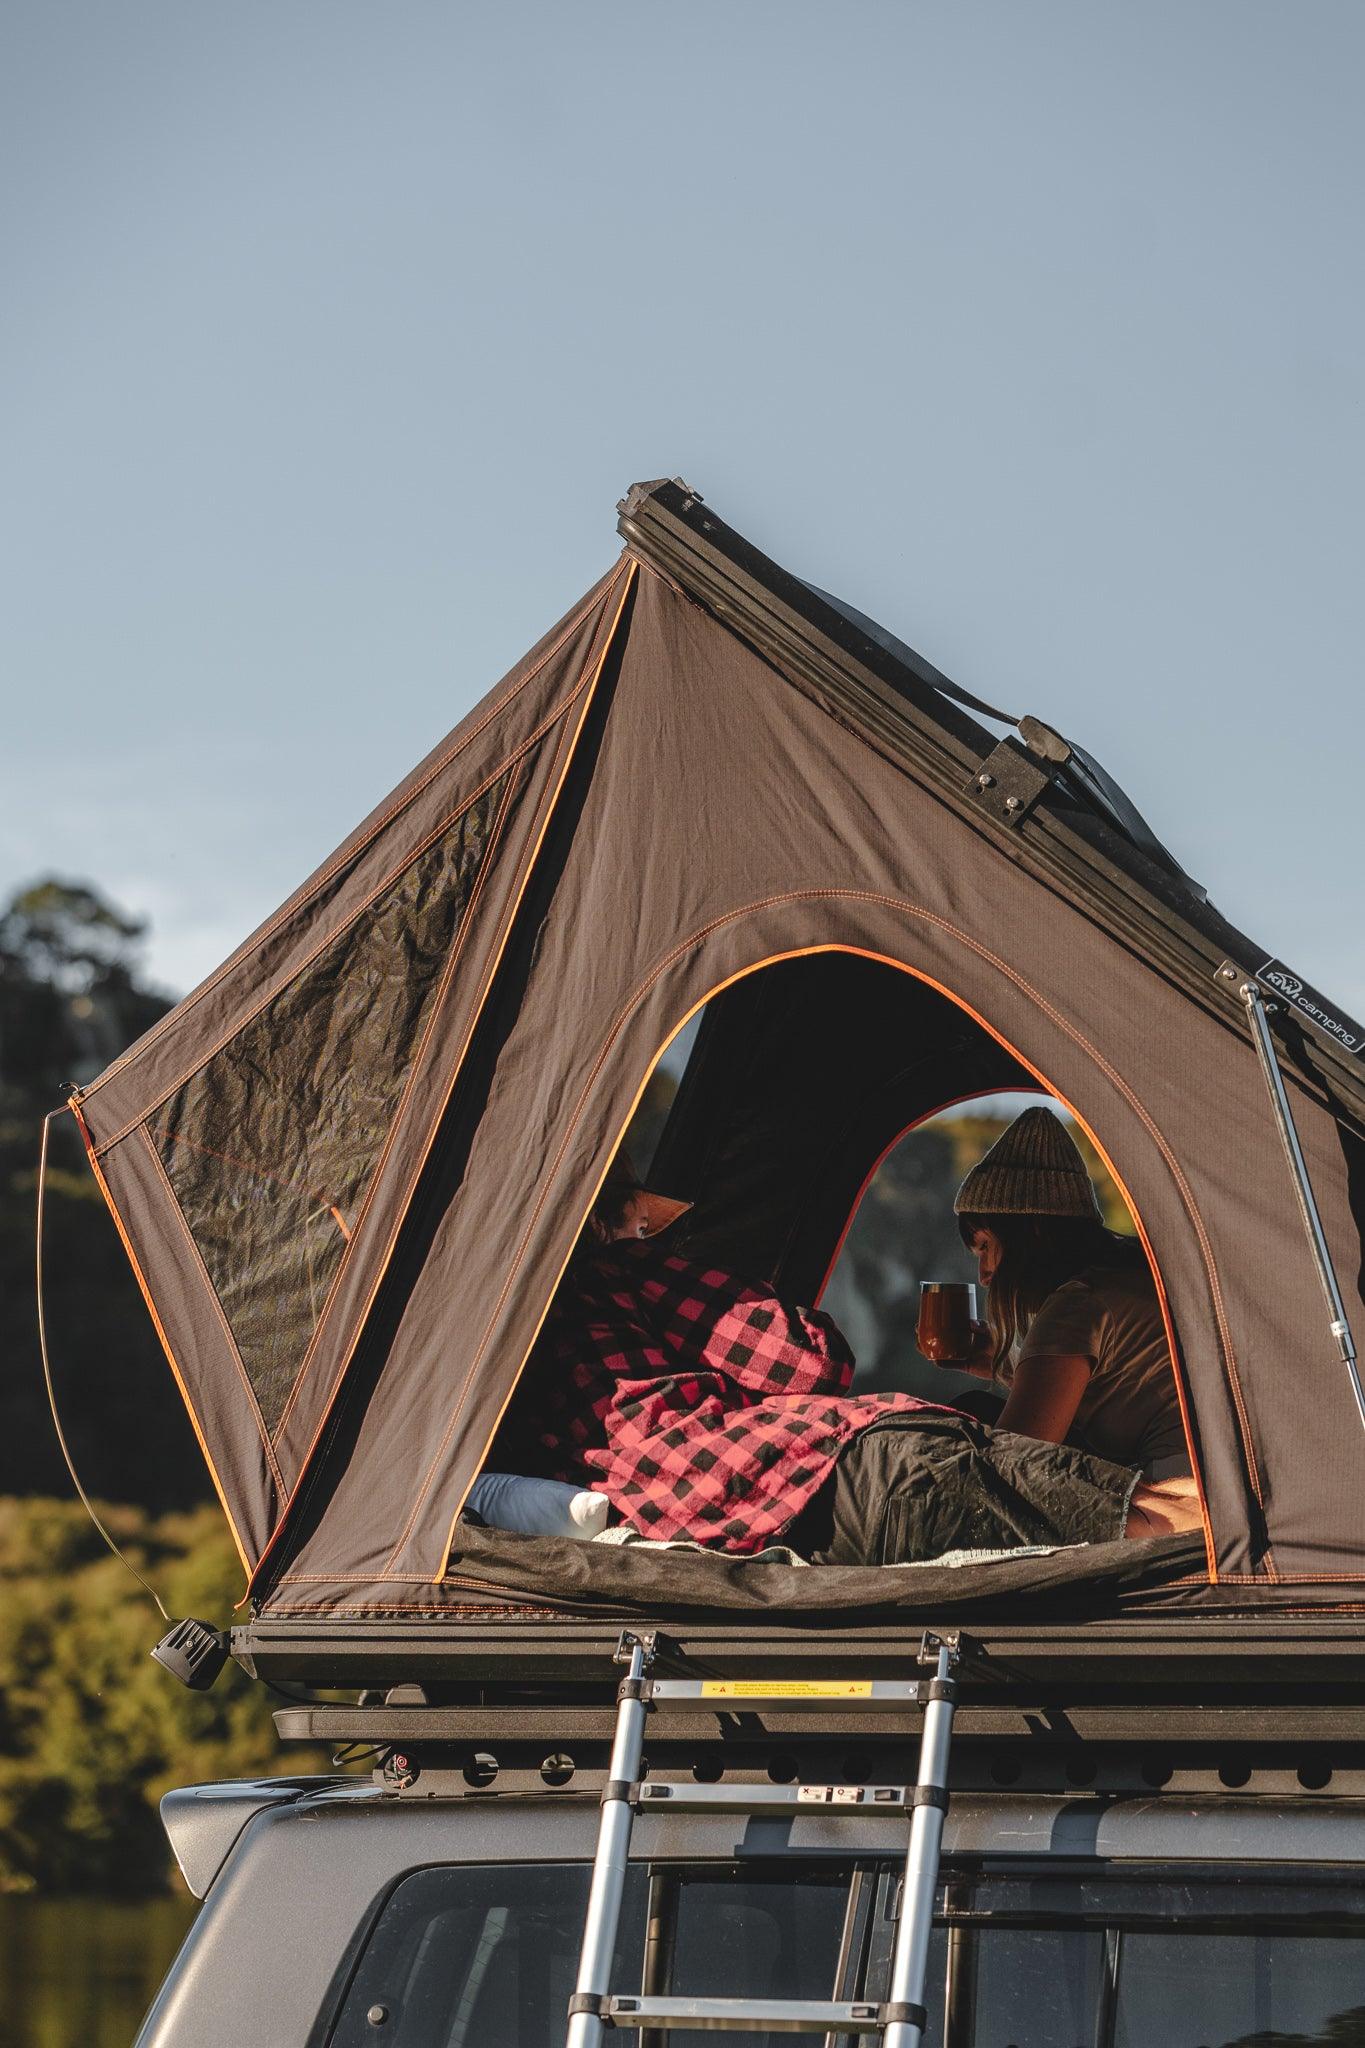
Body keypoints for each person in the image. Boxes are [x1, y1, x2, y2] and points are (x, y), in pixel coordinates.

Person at [492, 1152, 1202, 1564]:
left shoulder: (505, 1356)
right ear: (611, 1220)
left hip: (824, 1495)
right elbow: (805, 1363)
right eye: (642, 1222)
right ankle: (1270, 1530)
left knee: (1139, 1509)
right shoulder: (611, 1271)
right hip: (846, 1469)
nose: (651, 1233)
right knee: (1165, 1525)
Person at [940, 1106, 1192, 1482]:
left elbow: (1016, 1460)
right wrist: (1001, 1363)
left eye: (985, 1247)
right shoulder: (1124, 1278)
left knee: (970, 1418)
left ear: (1032, 1232)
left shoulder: (1078, 1303)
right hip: (1207, 1490)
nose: (985, 1275)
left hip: (1166, 1503)